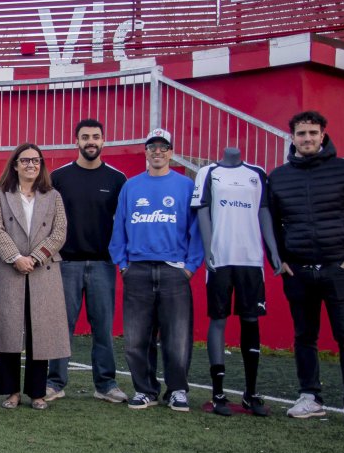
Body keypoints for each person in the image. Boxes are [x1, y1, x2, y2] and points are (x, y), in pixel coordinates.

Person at [269, 111, 344, 429]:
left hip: (338, 269)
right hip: (298, 272)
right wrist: (281, 260)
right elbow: (272, 223)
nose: (307, 138)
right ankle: (310, 397)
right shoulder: (279, 177)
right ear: (292, 137)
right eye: (301, 133)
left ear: (323, 135)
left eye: (313, 133)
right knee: (304, 336)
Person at [109, 128, 205, 412]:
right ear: (146, 152)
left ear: (171, 152)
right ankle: (145, 390)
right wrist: (123, 264)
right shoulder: (131, 186)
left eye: (163, 147)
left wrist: (190, 267)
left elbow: (196, 230)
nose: (158, 152)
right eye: (153, 147)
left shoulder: (185, 186)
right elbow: (119, 227)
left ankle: (177, 390)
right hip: (137, 270)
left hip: (174, 271)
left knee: (177, 337)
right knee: (136, 338)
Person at [192, 147, 281, 418]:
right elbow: (202, 211)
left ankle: (250, 393)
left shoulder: (257, 173)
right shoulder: (208, 172)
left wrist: (273, 250)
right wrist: (208, 248)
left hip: (251, 260)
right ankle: (218, 393)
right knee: (218, 320)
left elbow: (264, 212)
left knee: (251, 321)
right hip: (220, 258)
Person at [0, 143, 69, 410]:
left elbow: (60, 231)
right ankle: (11, 392)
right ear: (15, 165)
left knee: (40, 333)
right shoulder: (1, 194)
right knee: (7, 331)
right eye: (25, 160)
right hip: (8, 269)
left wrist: (36, 257)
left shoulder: (53, 196)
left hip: (43, 271)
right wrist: (16, 257)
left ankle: (37, 392)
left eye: (36, 160)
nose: (31, 165)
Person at [45, 119, 129, 404]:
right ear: (76, 141)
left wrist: (121, 258)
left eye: (95, 136)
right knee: (61, 326)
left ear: (103, 140)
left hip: (103, 264)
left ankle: (105, 385)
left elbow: (124, 223)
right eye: (85, 137)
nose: (90, 141)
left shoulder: (117, 179)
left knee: (103, 329)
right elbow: (48, 220)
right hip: (66, 264)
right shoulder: (59, 177)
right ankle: (55, 383)